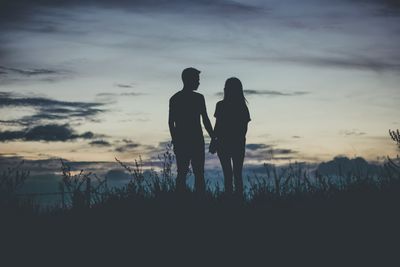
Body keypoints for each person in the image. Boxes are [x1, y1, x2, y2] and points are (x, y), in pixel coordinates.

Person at [168, 67, 214, 194]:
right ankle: (196, 201)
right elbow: (205, 120)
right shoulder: (197, 98)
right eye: (197, 80)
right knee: (196, 173)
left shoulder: (175, 98)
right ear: (189, 80)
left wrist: (176, 141)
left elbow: (171, 123)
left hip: (187, 141)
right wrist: (213, 137)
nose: (199, 82)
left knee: (185, 173)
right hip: (194, 140)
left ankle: (183, 200)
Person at [212, 77, 250, 197]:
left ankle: (231, 199)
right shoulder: (242, 107)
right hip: (236, 144)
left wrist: (214, 141)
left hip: (225, 143)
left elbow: (217, 126)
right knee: (236, 174)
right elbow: (244, 129)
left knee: (228, 174)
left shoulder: (221, 105)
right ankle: (238, 199)